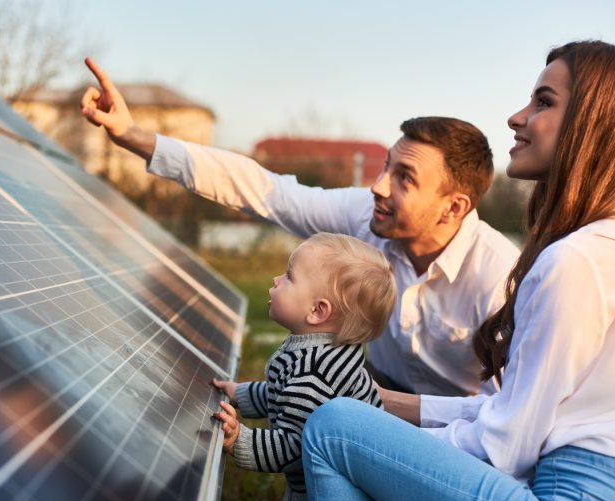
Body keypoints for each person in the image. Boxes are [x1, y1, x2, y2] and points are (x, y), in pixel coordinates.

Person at [300, 40, 615, 501]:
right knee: (356, 418)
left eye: (544, 102)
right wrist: (383, 404)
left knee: (333, 428)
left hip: (570, 500)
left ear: (596, 125)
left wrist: (383, 446)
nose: (517, 117)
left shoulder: (577, 260)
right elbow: (518, 408)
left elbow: (506, 446)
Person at [80, 59, 520, 397]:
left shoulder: (500, 278)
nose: (378, 185)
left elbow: (504, 418)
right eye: (387, 166)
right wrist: (134, 136)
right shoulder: (366, 216)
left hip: (458, 431)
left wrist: (386, 412)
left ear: (453, 207)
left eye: (404, 177)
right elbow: (264, 190)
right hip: (376, 390)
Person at [210, 232, 397, 501]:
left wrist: (240, 440)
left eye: (288, 277)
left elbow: (294, 447)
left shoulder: (313, 374)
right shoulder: (322, 351)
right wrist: (240, 393)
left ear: (317, 311)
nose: (276, 280)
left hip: (334, 495)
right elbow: (281, 392)